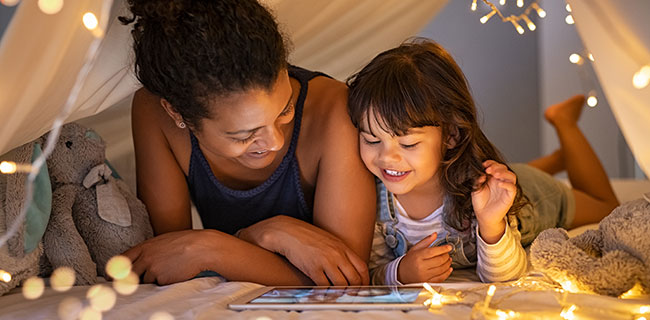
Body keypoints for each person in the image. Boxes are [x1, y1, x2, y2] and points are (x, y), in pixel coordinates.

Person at [118, 0, 376, 286]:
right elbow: (168, 259)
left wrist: (219, 246)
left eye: (286, 110)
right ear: (177, 113)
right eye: (244, 135)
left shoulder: (334, 111)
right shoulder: (153, 113)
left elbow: (346, 280)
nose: (275, 141)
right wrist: (244, 241)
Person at [345, 38, 619, 285]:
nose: (386, 157)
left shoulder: (480, 195)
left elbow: (505, 274)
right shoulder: (372, 199)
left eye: (408, 144)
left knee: (606, 206)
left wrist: (491, 225)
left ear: (451, 134)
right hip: (489, 175)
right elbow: (370, 270)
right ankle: (557, 160)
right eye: (371, 139)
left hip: (529, 197)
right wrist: (400, 272)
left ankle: (564, 122)